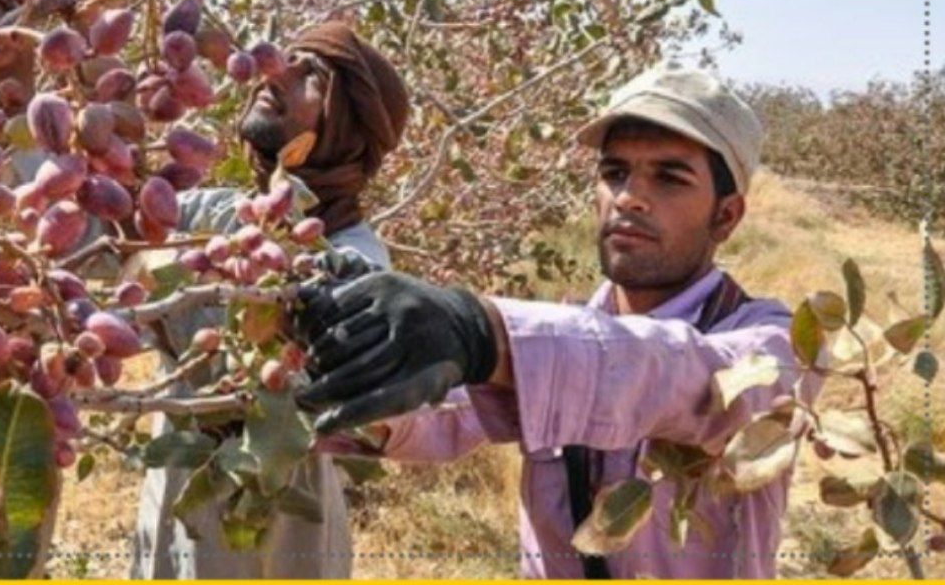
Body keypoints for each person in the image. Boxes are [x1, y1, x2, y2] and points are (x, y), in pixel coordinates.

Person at [292, 62, 821, 579]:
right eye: (614, 173)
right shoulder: (566, 333)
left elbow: (681, 376)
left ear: (726, 215)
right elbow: (448, 413)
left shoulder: (771, 344)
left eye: (669, 178)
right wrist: (340, 374)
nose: (629, 197)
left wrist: (482, 331)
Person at [131, 21, 411, 579]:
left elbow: (290, 365)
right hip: (169, 508)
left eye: (312, 75)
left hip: (277, 537)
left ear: (343, 131)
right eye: (289, 56)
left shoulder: (357, 262)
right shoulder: (215, 213)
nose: (277, 69)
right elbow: (95, 235)